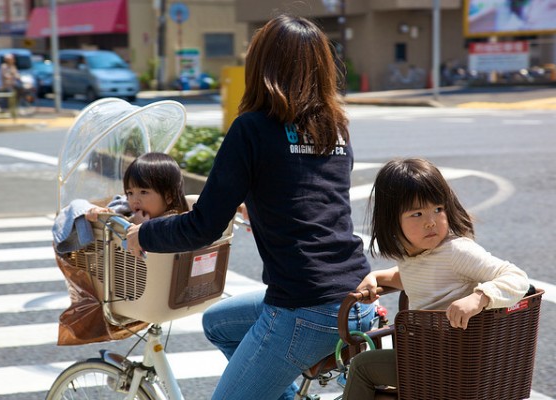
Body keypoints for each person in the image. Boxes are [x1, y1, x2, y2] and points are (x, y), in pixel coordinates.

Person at [126, 14, 376, 400]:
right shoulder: (335, 128)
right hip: (355, 299)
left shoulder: (253, 129)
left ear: (261, 66)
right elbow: (311, 196)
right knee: (219, 323)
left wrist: (145, 233)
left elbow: (202, 227)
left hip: (303, 307)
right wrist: (258, 201)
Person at [342, 158, 530, 400]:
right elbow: (413, 277)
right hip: (435, 357)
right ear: (391, 221)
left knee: (362, 366)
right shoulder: (416, 256)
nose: (431, 221)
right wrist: (375, 276)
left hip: (449, 363)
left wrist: (479, 297)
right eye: (417, 213)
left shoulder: (456, 252)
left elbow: (517, 277)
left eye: (438, 209)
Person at [85, 152, 189, 225]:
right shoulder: (131, 214)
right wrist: (101, 214)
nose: (135, 200)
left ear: (168, 196)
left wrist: (142, 229)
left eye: (143, 192)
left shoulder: (173, 223)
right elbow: (114, 221)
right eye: (130, 193)